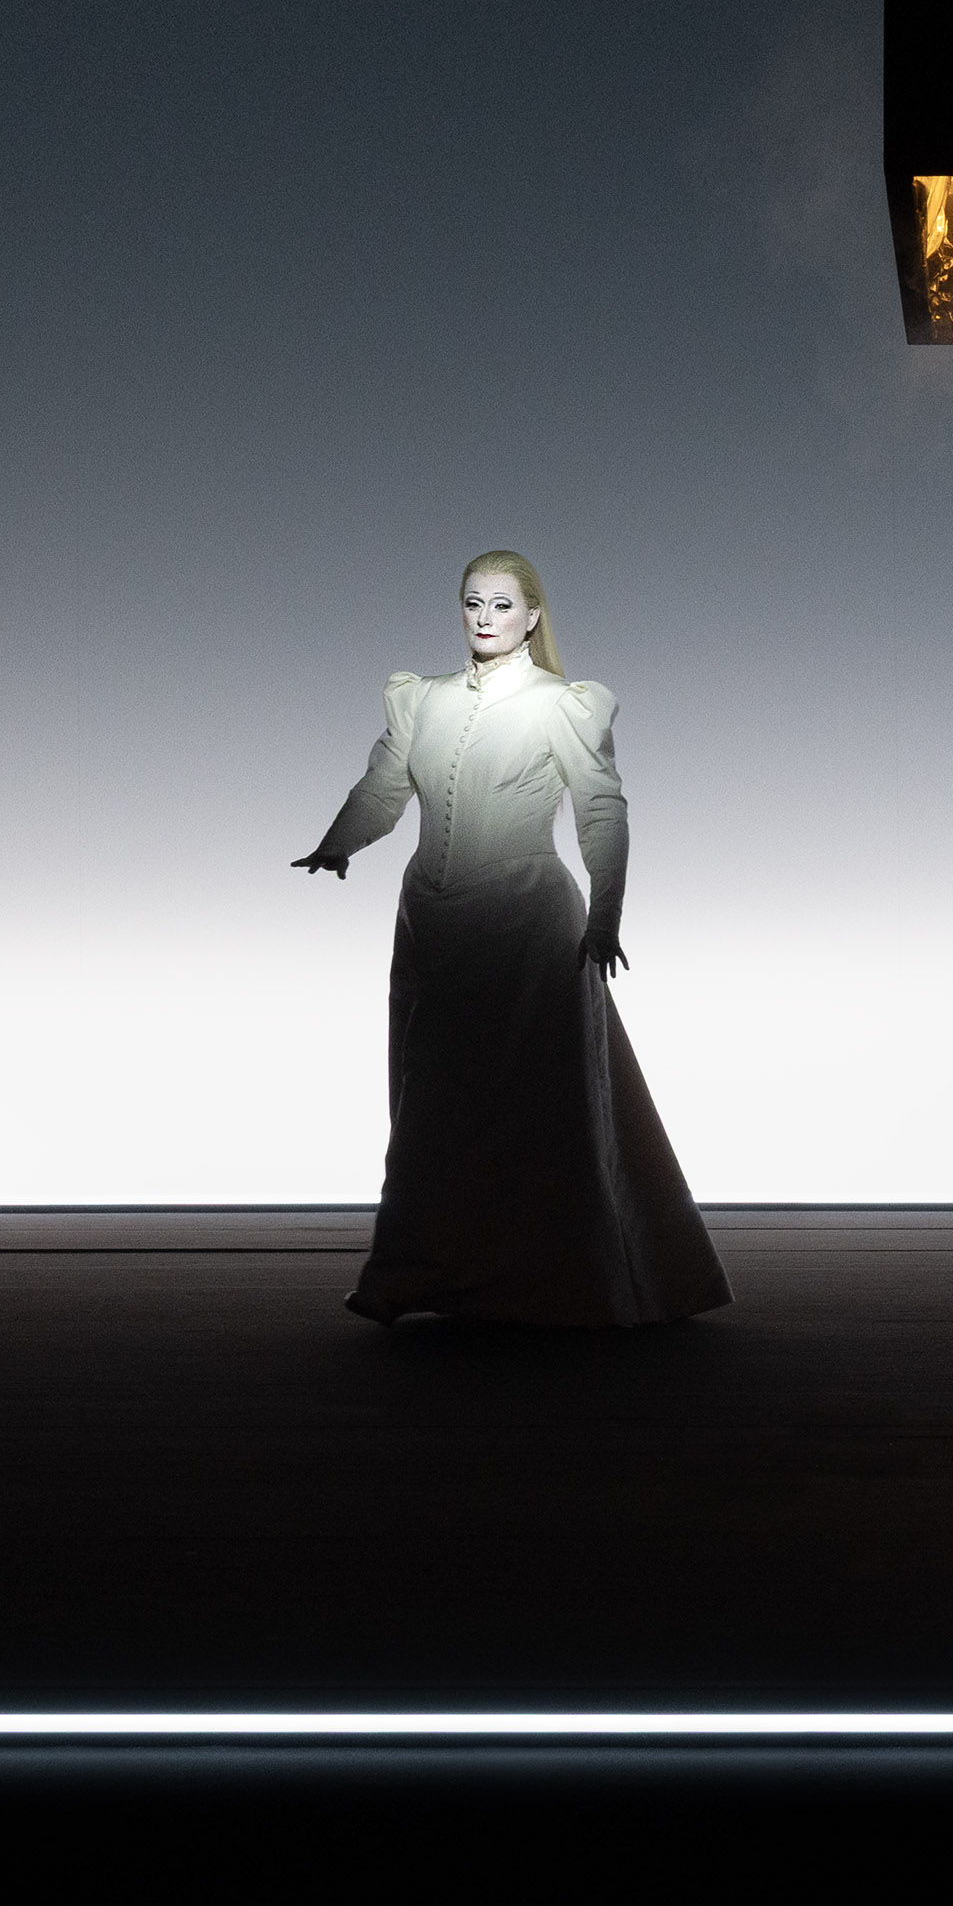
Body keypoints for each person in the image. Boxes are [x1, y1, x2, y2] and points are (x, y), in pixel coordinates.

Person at [295, 549, 729, 1324]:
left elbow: (602, 808)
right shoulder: (421, 699)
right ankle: (419, 1272)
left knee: (538, 1106)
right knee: (430, 1099)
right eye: (473, 602)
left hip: (529, 921)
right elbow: (385, 787)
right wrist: (338, 842)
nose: (485, 616)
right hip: (431, 919)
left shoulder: (561, 703)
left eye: (501, 604)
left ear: (532, 615)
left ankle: (557, 1281)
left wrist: (606, 914)